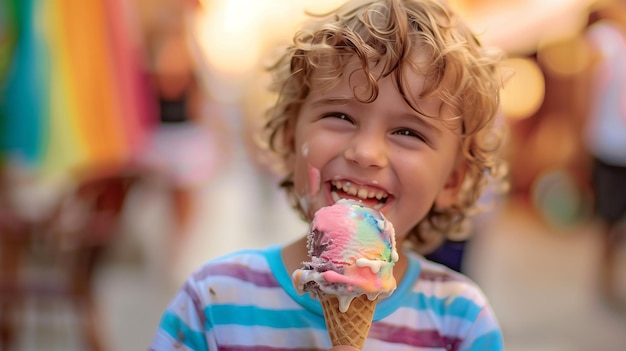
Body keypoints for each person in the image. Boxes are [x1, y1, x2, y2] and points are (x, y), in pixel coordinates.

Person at [148, 0, 507, 350]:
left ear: (452, 181)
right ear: (290, 139)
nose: (365, 153)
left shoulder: (460, 322)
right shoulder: (212, 303)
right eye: (340, 116)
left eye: (408, 133)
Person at [583, 1, 626, 310]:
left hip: (609, 141)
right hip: (609, 142)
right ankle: (605, 281)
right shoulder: (608, 38)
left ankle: (607, 280)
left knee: (611, 218)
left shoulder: (606, 38)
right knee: (611, 218)